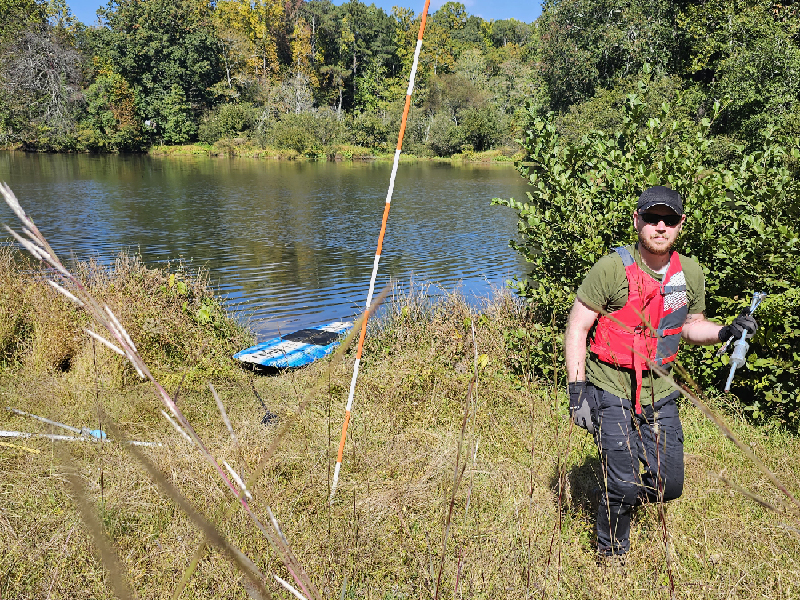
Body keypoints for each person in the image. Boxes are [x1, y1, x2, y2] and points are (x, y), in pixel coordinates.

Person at [564, 186, 758, 559]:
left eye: (669, 220)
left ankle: (618, 491)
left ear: (680, 225)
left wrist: (724, 331)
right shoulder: (611, 269)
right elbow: (577, 328)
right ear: (637, 221)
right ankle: (611, 553)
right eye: (652, 218)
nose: (660, 226)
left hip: (660, 388)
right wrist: (577, 393)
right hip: (610, 384)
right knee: (623, 480)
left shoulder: (689, 272)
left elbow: (688, 327)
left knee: (670, 484)